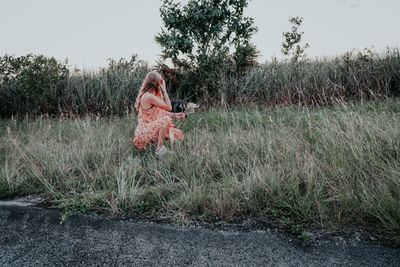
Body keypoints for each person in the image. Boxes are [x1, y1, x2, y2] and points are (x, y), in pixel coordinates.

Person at [133, 71, 185, 155]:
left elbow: (160, 112)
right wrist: (164, 90)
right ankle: (159, 149)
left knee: (178, 134)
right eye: (160, 81)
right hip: (144, 131)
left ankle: (156, 145)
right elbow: (169, 107)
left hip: (150, 128)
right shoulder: (148, 96)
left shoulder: (151, 94)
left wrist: (175, 115)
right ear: (157, 83)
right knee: (165, 120)